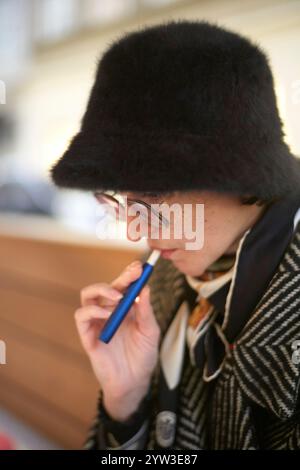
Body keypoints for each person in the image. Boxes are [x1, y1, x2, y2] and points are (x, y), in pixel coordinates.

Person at [50, 20, 300, 449]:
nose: (134, 228)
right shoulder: (168, 281)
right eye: (121, 199)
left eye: (153, 195)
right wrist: (124, 406)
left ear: (242, 174)